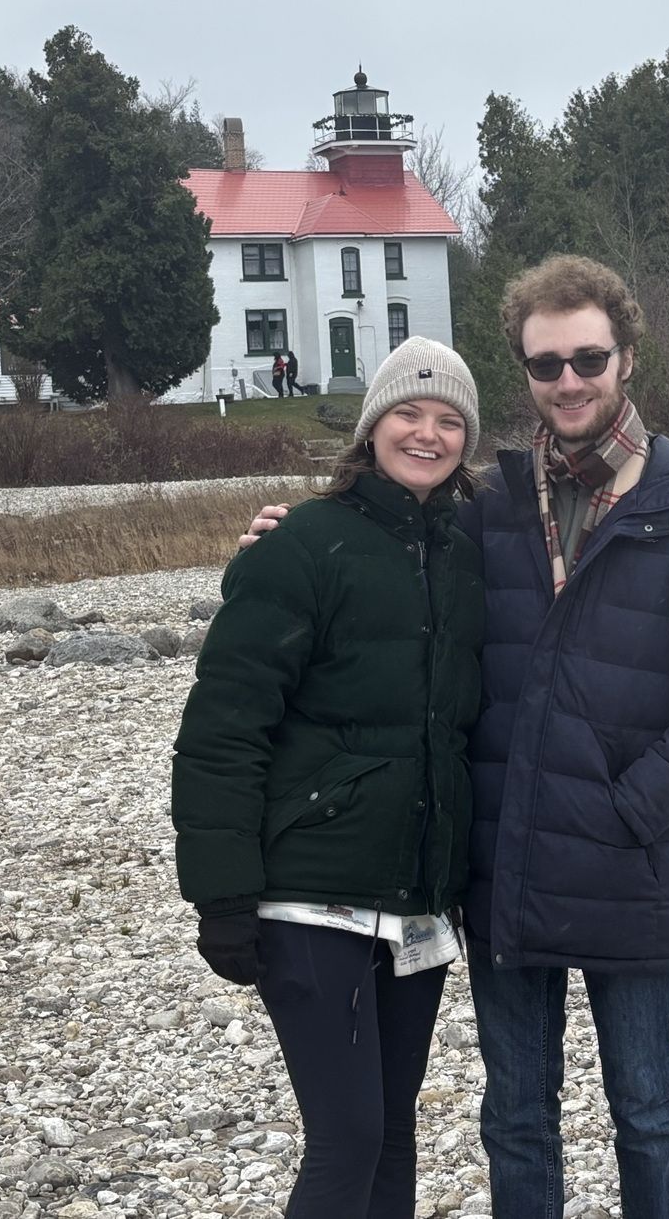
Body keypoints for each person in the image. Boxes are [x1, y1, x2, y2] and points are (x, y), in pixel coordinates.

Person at [239, 256, 669, 1219]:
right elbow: (380, 538)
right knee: (517, 1112)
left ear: (627, 359)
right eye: (545, 364)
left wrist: (634, 804)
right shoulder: (488, 505)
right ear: (525, 372)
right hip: (505, 866)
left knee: (647, 1109)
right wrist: (291, 533)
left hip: (630, 866)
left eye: (588, 358)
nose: (568, 380)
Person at [172, 336, 484, 1219]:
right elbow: (224, 731)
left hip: (418, 902)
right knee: (345, 1140)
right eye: (409, 413)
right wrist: (222, 896)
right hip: (310, 898)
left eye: (449, 419)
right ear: (371, 424)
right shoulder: (304, 543)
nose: (427, 433)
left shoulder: (467, 553)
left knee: (390, 1136)